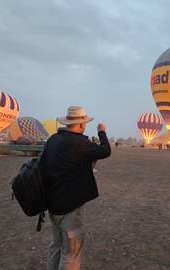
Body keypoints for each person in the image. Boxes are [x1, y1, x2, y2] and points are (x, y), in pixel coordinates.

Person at [40, 106, 111, 270]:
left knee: (55, 245)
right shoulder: (79, 142)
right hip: (70, 206)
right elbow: (106, 150)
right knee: (71, 252)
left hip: (52, 203)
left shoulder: (53, 139)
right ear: (81, 125)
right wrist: (102, 132)